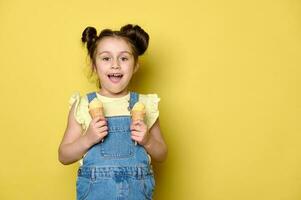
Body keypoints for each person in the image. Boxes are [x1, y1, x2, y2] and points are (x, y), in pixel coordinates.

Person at [58, 24, 168, 200]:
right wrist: (87, 139)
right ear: (94, 65)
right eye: (106, 58)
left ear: (136, 65)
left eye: (124, 59)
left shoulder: (145, 104)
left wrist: (147, 140)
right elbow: (63, 155)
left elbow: (162, 153)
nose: (115, 65)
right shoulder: (83, 105)